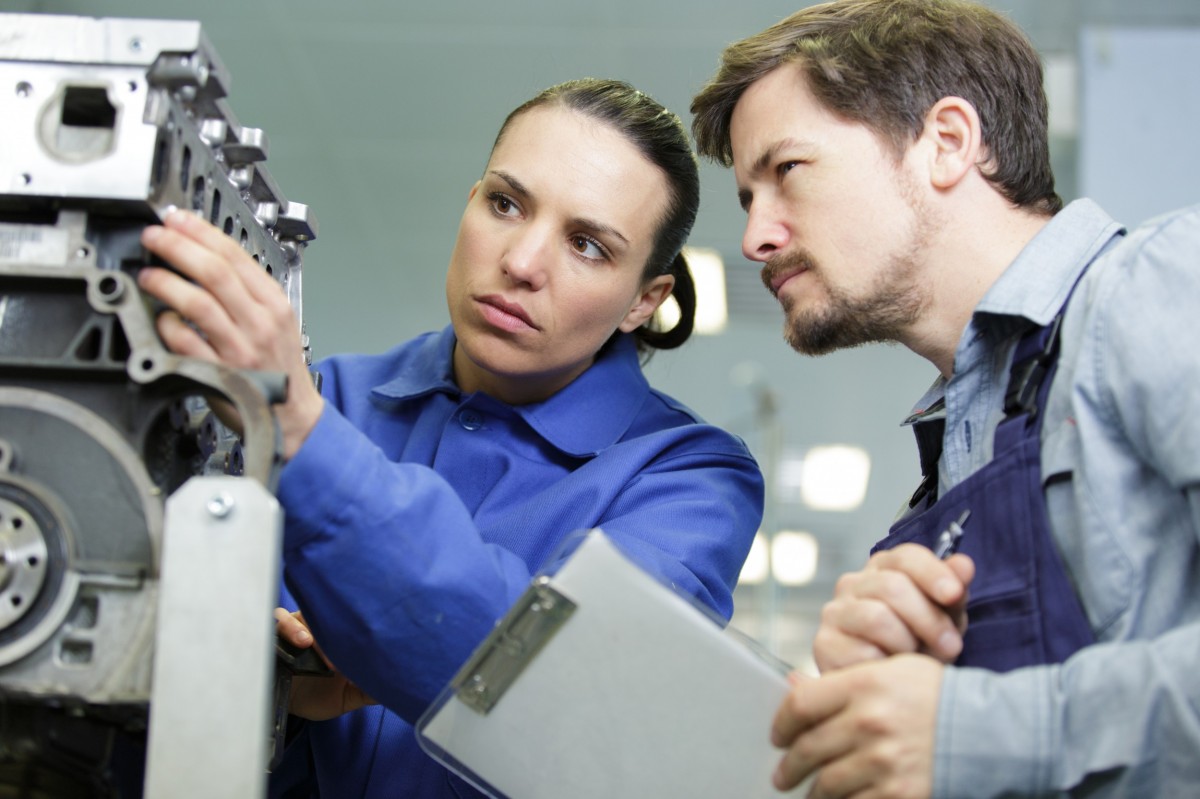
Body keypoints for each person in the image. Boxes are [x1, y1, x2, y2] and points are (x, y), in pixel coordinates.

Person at [137, 78, 764, 797]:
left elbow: (567, 690)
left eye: (588, 245)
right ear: (470, 203)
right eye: (506, 203)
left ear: (643, 301)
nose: (523, 263)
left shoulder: (690, 478)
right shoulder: (330, 395)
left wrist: (305, 440)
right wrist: (281, 696)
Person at [690, 0, 1200, 796]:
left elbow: (994, 737)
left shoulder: (1157, 287)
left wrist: (968, 731)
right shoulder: (939, 482)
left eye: (786, 171)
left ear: (948, 143)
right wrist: (876, 705)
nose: (756, 236)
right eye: (747, 201)